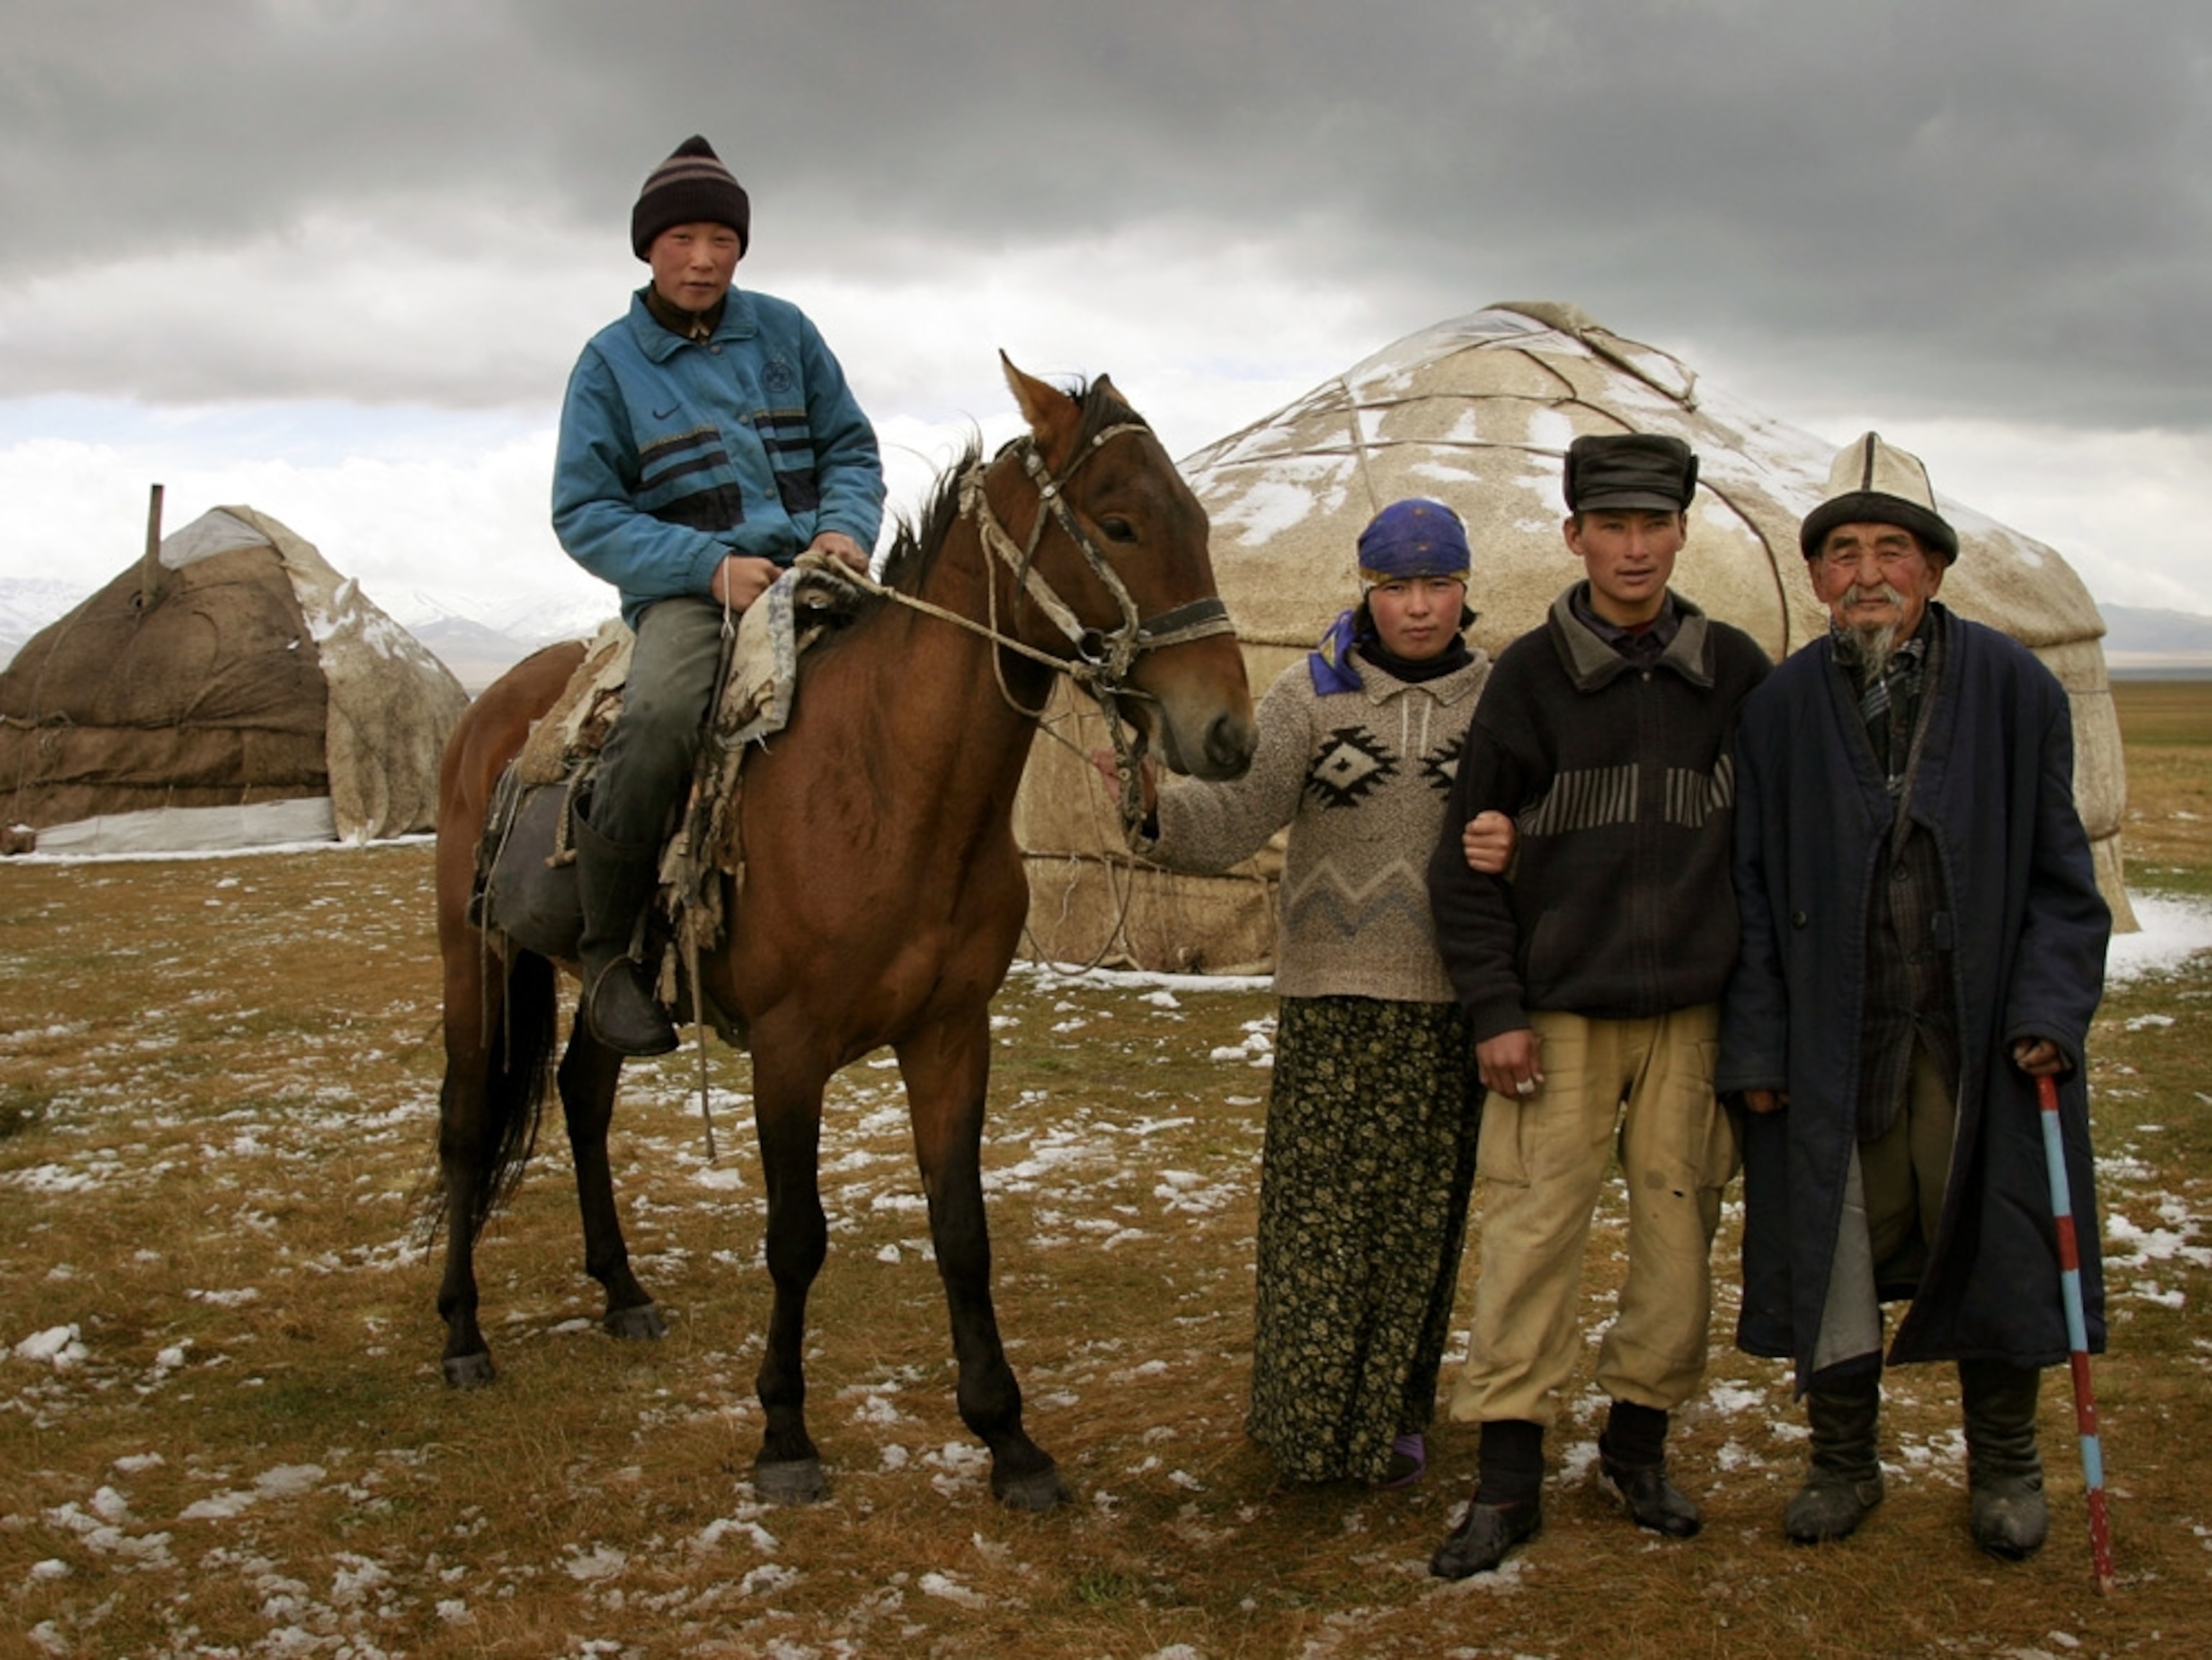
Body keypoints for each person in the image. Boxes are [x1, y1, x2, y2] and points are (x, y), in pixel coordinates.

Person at [1717, 433, 2110, 1559]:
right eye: (1842, 552)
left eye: (1894, 549)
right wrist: (1757, 1049)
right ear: (1815, 577)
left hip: (1978, 1040)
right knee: (1831, 1251)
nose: (1868, 572)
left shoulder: (2013, 687)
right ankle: (1843, 1463)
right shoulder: (1780, 707)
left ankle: (2007, 1465)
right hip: (1832, 1043)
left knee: (1997, 1241)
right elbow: (1748, 889)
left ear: (1935, 570)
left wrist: (2047, 1009)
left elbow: (2060, 880)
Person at [1100, 500, 1505, 1487]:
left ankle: (1397, 1416)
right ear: (1366, 588)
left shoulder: (1499, 697)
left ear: (1464, 588)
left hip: (1449, 1003)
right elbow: (1238, 812)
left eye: (1437, 584)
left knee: (1419, 1224)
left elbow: (1540, 820)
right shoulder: (1312, 692)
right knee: (1317, 1225)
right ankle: (1306, 1423)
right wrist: (1153, 808)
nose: (1418, 607)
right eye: (1396, 586)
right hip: (1332, 997)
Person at [1424, 433, 1771, 1579]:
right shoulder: (1527, 675)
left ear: (1682, 532)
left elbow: (1775, 859)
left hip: (1692, 1010)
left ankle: (1638, 1444)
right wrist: (1495, 1010)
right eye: (1609, 526)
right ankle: (1508, 1479)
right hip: (1559, 1010)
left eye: (1653, 525)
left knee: (1680, 1234)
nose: (1633, 547)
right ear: (1573, 536)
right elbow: (1463, 865)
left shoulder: (1735, 673)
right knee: (1532, 1232)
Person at [552, 135, 884, 1055]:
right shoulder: (610, 364)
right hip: (690, 593)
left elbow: (851, 449)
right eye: (682, 239)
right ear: (647, 248)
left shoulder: (786, 333)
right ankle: (613, 953)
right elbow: (584, 511)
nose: (703, 259)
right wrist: (709, 568)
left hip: (817, 574)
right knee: (658, 717)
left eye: (722, 241)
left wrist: (844, 532)